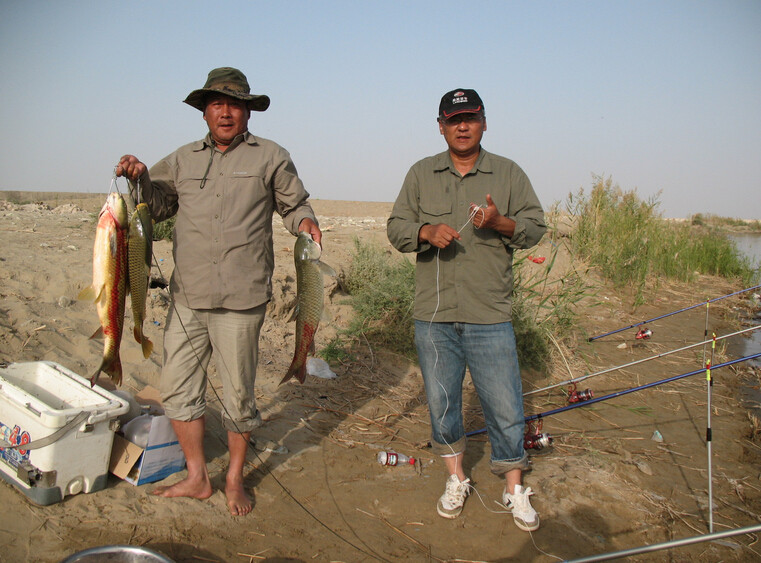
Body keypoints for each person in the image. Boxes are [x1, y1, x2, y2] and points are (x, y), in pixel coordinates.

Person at [116, 67, 322, 516]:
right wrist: (138, 178)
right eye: (216, 103)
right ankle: (196, 477)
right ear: (204, 111)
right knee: (178, 389)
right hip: (187, 297)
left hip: (242, 299)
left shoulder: (271, 156)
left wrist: (305, 222)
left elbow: (294, 203)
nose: (225, 112)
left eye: (234, 104)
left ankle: (233, 479)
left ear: (248, 110)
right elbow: (159, 203)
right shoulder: (183, 158)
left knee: (238, 396)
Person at [387, 89, 546, 531]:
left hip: (490, 314)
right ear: (440, 125)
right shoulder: (420, 174)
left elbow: (534, 227)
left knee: (505, 403)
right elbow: (396, 228)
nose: (462, 126)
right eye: (453, 119)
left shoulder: (509, 174)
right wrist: (425, 230)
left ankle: (514, 487)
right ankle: (456, 479)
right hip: (433, 318)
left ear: (484, 122)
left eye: (470, 118)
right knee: (442, 403)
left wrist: (499, 222)